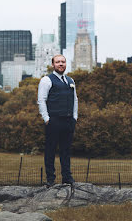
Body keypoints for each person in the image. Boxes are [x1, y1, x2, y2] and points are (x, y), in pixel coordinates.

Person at [38, 54, 78, 187]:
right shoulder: (46, 80)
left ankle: (67, 177)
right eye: (58, 62)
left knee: (66, 151)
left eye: (63, 62)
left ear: (66, 64)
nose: (61, 64)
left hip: (68, 121)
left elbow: (75, 100)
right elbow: (41, 100)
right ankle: (50, 179)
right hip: (54, 120)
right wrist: (47, 119)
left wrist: (74, 117)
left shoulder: (71, 81)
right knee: (50, 150)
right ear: (53, 65)